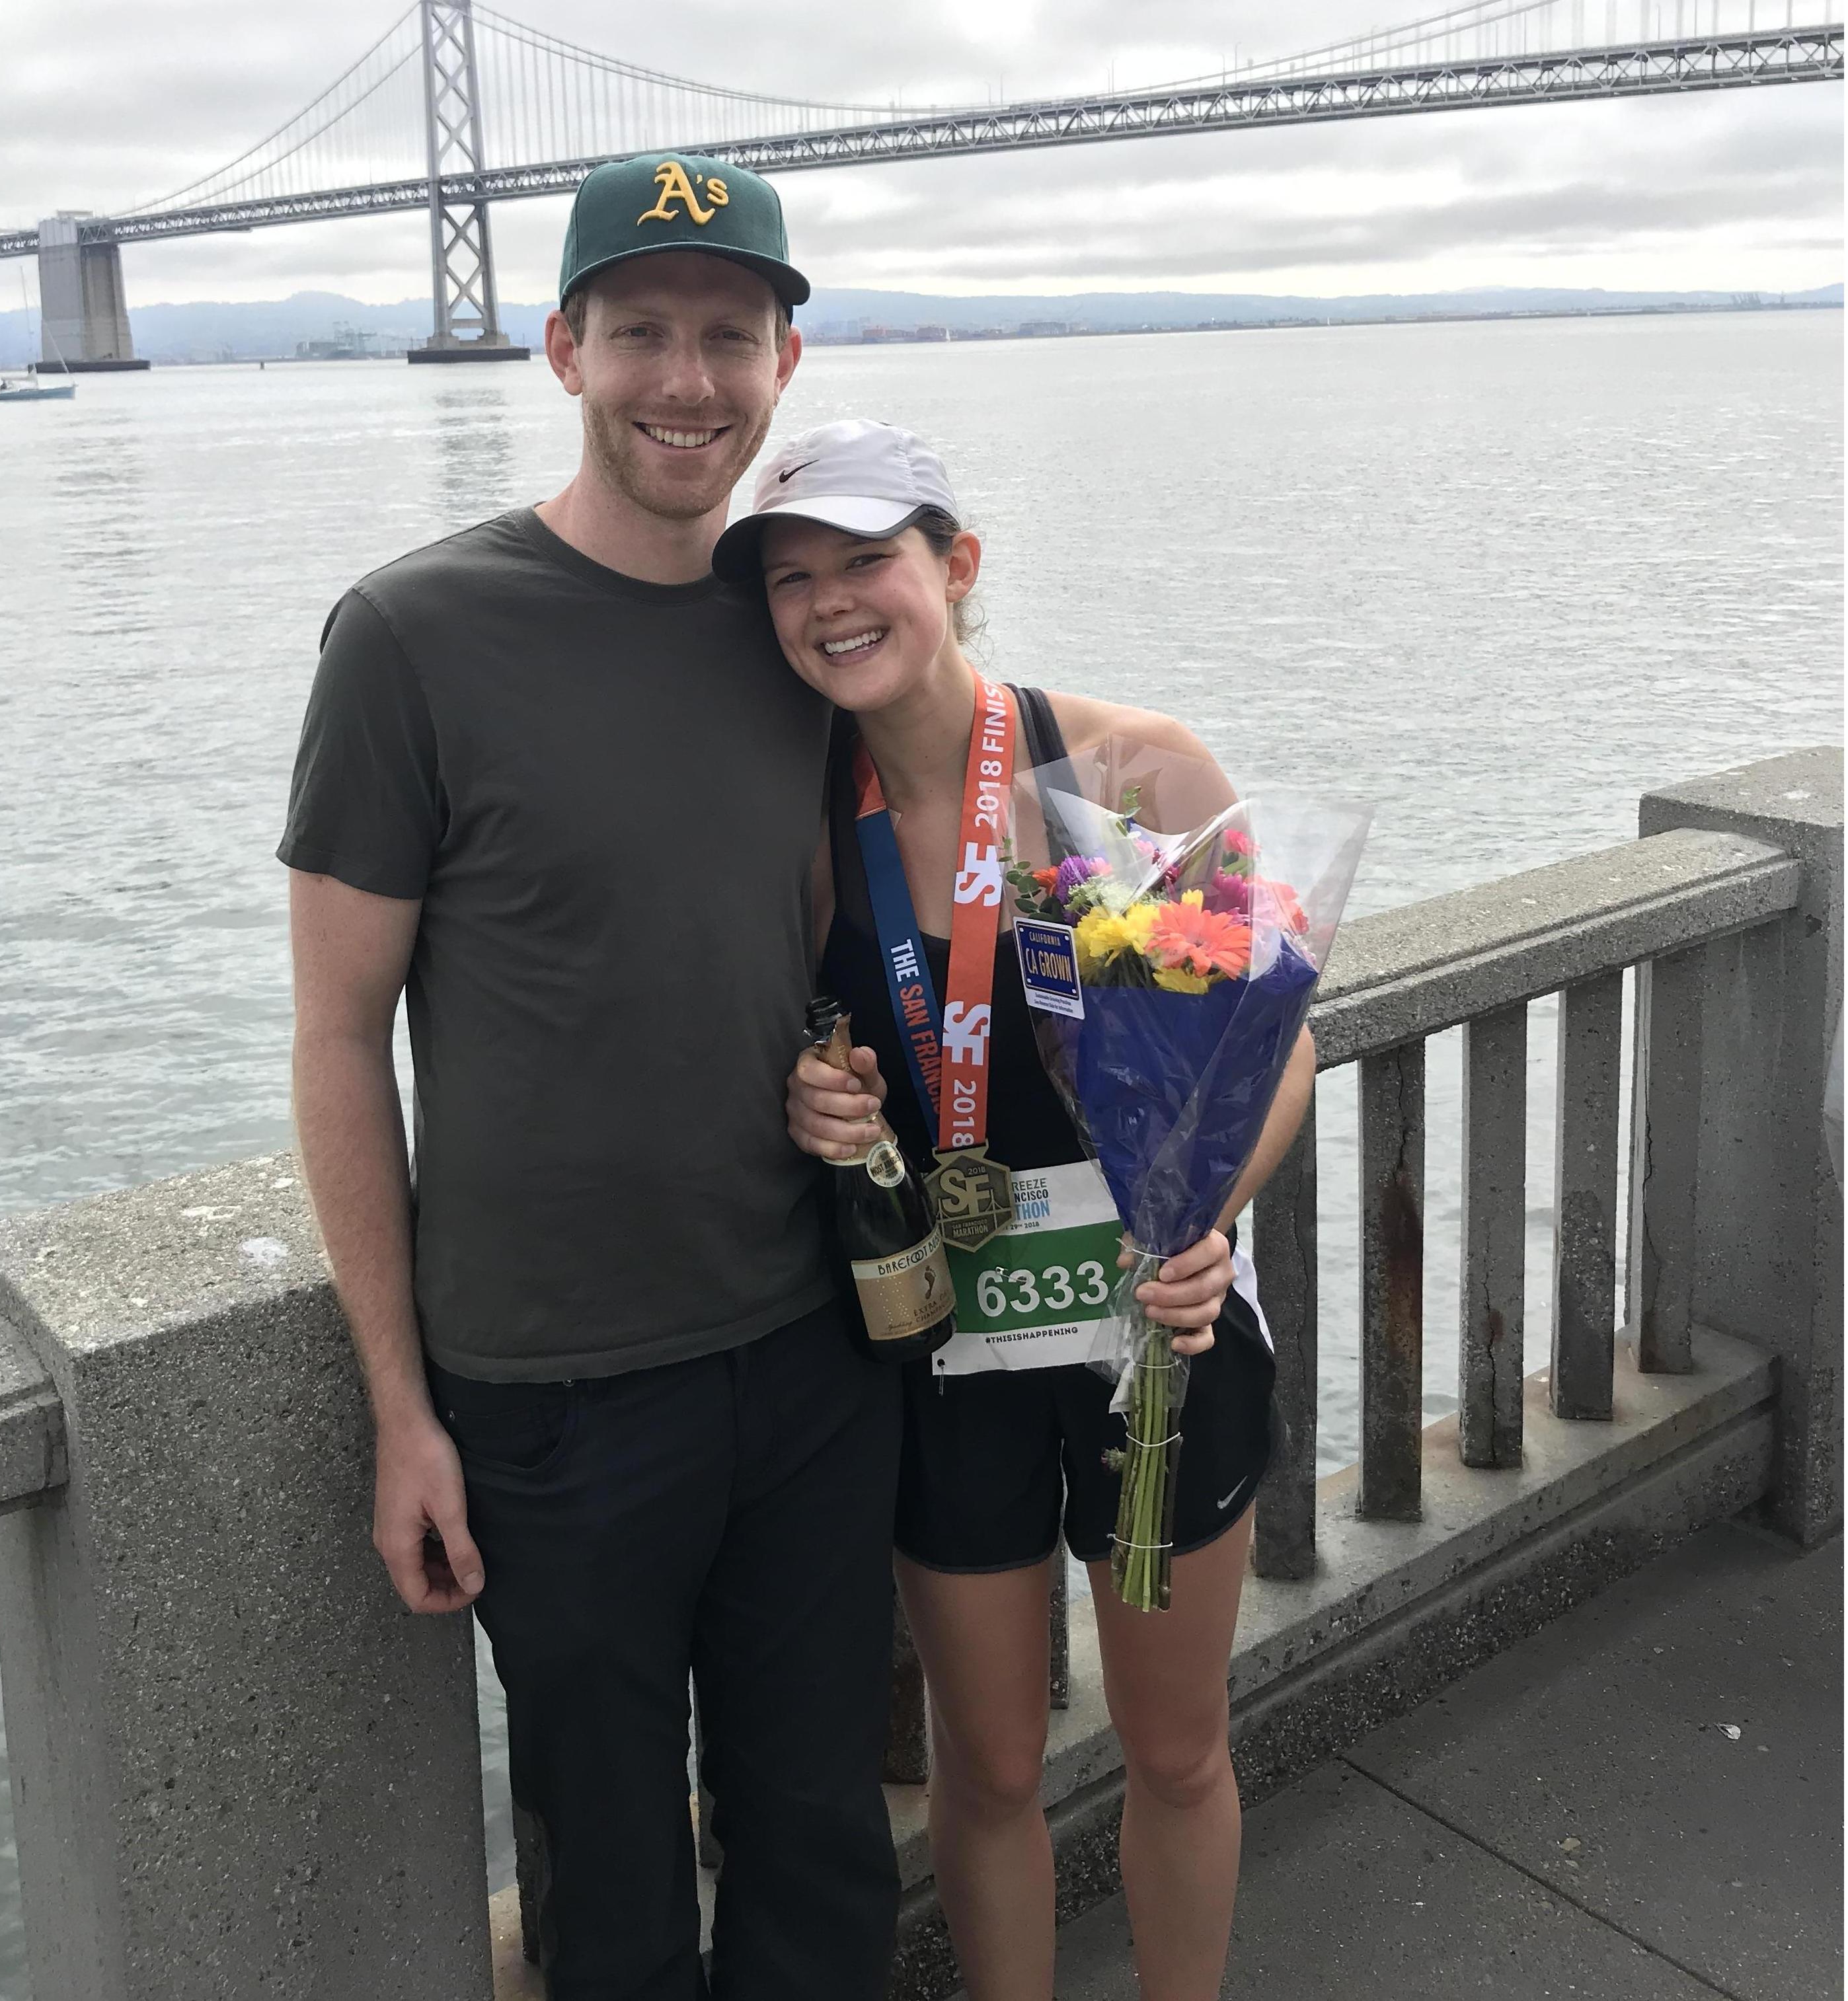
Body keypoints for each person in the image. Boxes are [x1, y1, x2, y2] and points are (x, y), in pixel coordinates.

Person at [278, 162, 904, 2001]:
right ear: (564, 348)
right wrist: (402, 1407)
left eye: (729, 335)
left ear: (786, 360)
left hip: (805, 1350)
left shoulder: (798, 618)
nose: (685, 379)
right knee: (610, 1892)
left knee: (817, 1848)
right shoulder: (410, 634)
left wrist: (835, 1078)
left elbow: (819, 923)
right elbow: (335, 1036)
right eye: (641, 330)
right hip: (548, 1401)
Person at [717, 419, 1314, 2001]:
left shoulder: (1121, 771)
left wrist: (1202, 1222)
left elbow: (1281, 1051)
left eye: (866, 561)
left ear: (954, 565)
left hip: (1154, 1332)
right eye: (792, 581)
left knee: (1175, 1749)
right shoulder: (791, 829)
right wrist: (817, 1103)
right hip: (944, 1350)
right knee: (985, 1771)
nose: (831, 605)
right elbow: (794, 1049)